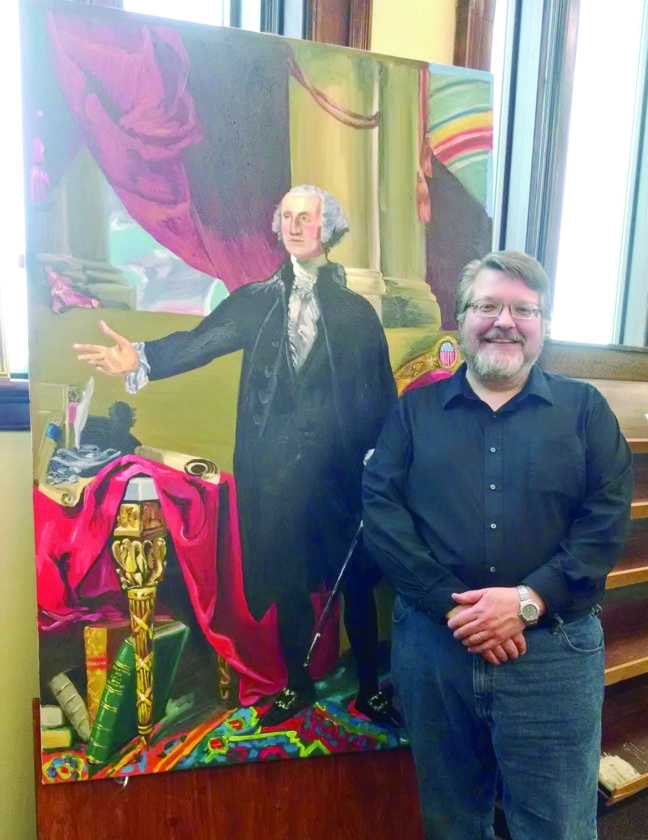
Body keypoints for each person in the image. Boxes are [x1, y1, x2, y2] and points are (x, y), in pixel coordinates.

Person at [75, 184, 401, 728]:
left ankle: (369, 689)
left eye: (306, 218)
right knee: (289, 583)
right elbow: (202, 341)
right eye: (287, 217)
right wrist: (143, 358)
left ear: (328, 229)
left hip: (341, 474)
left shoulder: (356, 312)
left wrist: (380, 458)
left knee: (355, 582)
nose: (294, 226)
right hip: (275, 475)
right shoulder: (257, 299)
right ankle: (297, 685)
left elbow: (380, 393)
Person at [362, 250, 633, 840]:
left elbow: (605, 522)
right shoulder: (413, 413)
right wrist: (452, 606)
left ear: (543, 324)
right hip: (435, 652)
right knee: (452, 822)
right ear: (462, 319)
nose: (504, 321)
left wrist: (529, 600)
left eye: (523, 309)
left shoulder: (585, 411)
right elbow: (381, 512)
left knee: (557, 827)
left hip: (553, 654)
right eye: (487, 306)